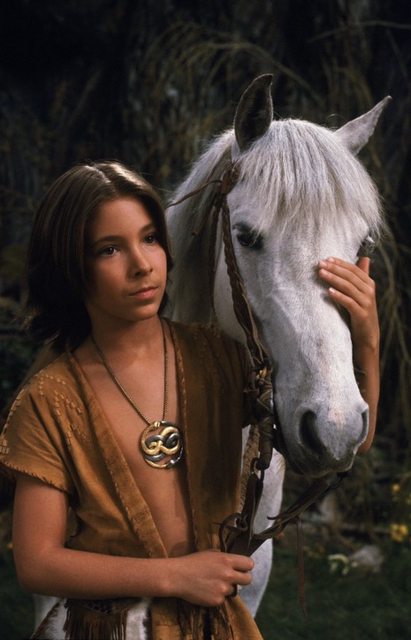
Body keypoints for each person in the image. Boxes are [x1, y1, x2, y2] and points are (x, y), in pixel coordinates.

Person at [0, 161, 380, 639]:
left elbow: (347, 443)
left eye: (150, 239)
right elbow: (36, 564)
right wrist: (174, 577)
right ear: (70, 266)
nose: (142, 264)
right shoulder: (48, 401)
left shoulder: (218, 360)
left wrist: (367, 337)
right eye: (109, 249)